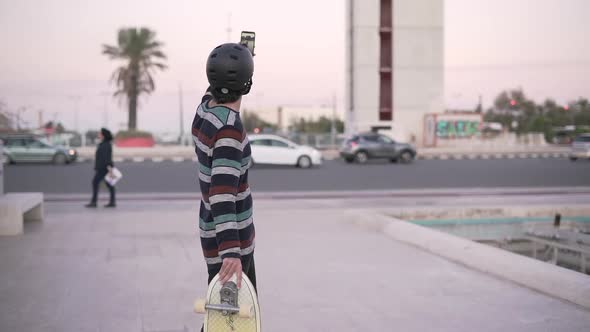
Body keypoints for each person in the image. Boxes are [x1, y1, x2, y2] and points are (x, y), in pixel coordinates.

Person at [192, 42, 257, 298]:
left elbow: (216, 89)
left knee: (221, 318)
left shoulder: (205, 110)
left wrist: (241, 60)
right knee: (232, 321)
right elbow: (222, 195)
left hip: (212, 230)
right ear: (246, 83)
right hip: (231, 243)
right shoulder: (228, 129)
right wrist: (231, 252)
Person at [86, 128, 116, 208]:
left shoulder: (106, 145)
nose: (98, 134)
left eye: (100, 133)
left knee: (95, 183)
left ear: (103, 135)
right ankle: (112, 202)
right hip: (103, 167)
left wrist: (109, 168)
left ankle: (94, 202)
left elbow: (107, 158)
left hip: (104, 168)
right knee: (109, 184)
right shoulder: (104, 144)